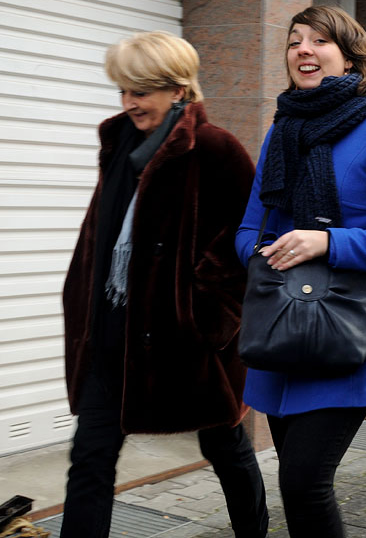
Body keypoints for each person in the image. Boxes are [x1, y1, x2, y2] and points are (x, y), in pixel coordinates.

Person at [61, 32, 268, 538]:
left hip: (187, 344)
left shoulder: (215, 148)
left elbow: (245, 244)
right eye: (124, 91)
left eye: (142, 91)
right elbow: (100, 236)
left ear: (178, 90)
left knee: (227, 451)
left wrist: (206, 322)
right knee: (90, 458)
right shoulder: (119, 145)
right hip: (114, 336)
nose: (130, 103)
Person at [234, 5, 366, 537]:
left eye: (319, 40)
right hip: (280, 328)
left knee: (305, 483)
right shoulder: (282, 131)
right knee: (296, 490)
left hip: (347, 332)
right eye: (295, 40)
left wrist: (324, 242)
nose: (302, 49)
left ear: (348, 58)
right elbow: (249, 230)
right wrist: (268, 254)